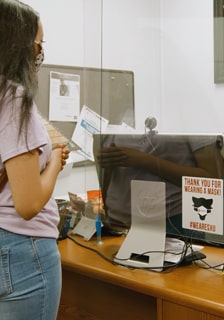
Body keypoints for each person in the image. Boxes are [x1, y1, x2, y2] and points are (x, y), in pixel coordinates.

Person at [0, 1, 70, 319]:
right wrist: (54, 159)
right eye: (38, 44)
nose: (39, 54)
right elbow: (27, 205)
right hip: (24, 249)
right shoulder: (14, 98)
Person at [95, 132, 224, 237]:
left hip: (172, 223)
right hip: (118, 223)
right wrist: (107, 213)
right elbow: (111, 173)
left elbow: (214, 179)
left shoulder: (190, 116)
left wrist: (146, 161)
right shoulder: (126, 114)